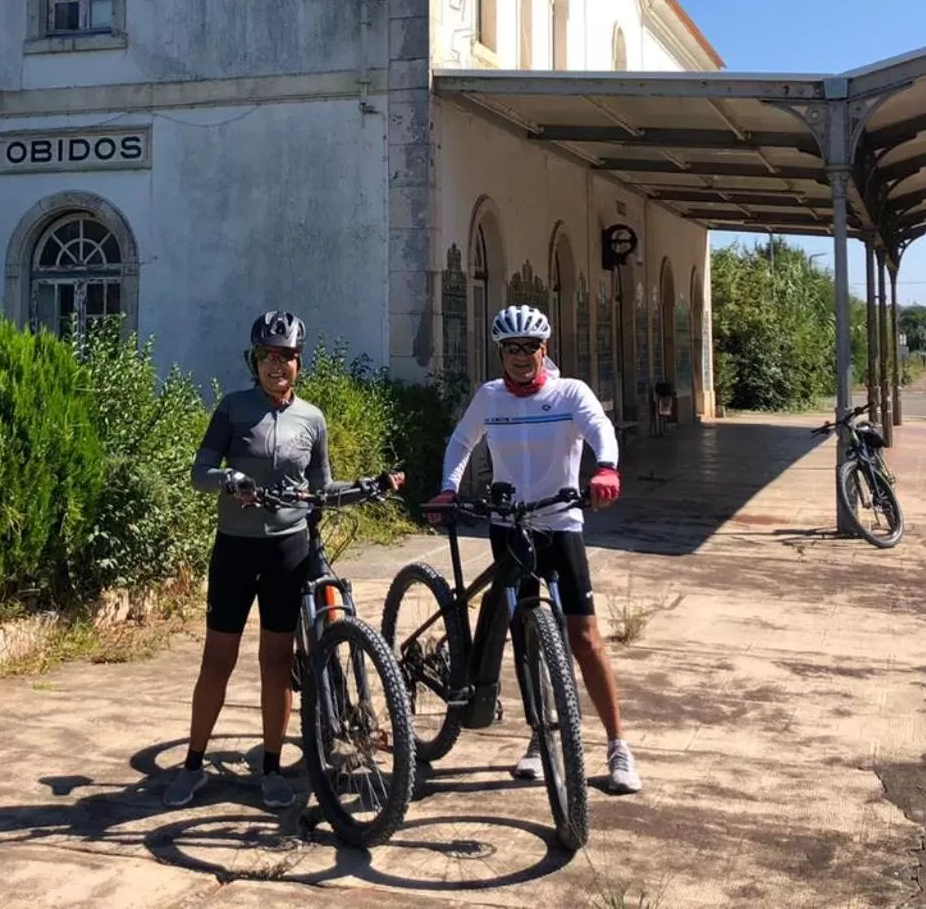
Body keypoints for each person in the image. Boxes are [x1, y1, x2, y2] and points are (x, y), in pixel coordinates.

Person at [164, 310, 403, 811]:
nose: (277, 365)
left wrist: (370, 488)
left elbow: (321, 489)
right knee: (218, 662)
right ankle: (192, 765)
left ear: (299, 362)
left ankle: (272, 767)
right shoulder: (233, 409)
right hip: (235, 549)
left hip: (287, 550)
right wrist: (229, 480)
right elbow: (198, 472)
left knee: (275, 663)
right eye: (267, 356)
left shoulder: (312, 419)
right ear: (254, 361)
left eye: (286, 357)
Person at [426, 303, 642, 795]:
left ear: (545, 349)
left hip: (558, 523)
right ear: (501, 352)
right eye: (511, 349)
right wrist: (447, 487)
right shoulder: (491, 396)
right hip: (508, 527)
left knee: (584, 636)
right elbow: (462, 441)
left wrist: (605, 467)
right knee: (524, 636)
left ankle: (618, 745)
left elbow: (599, 429)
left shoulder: (570, 393)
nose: (521, 357)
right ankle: (538, 738)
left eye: (529, 347)